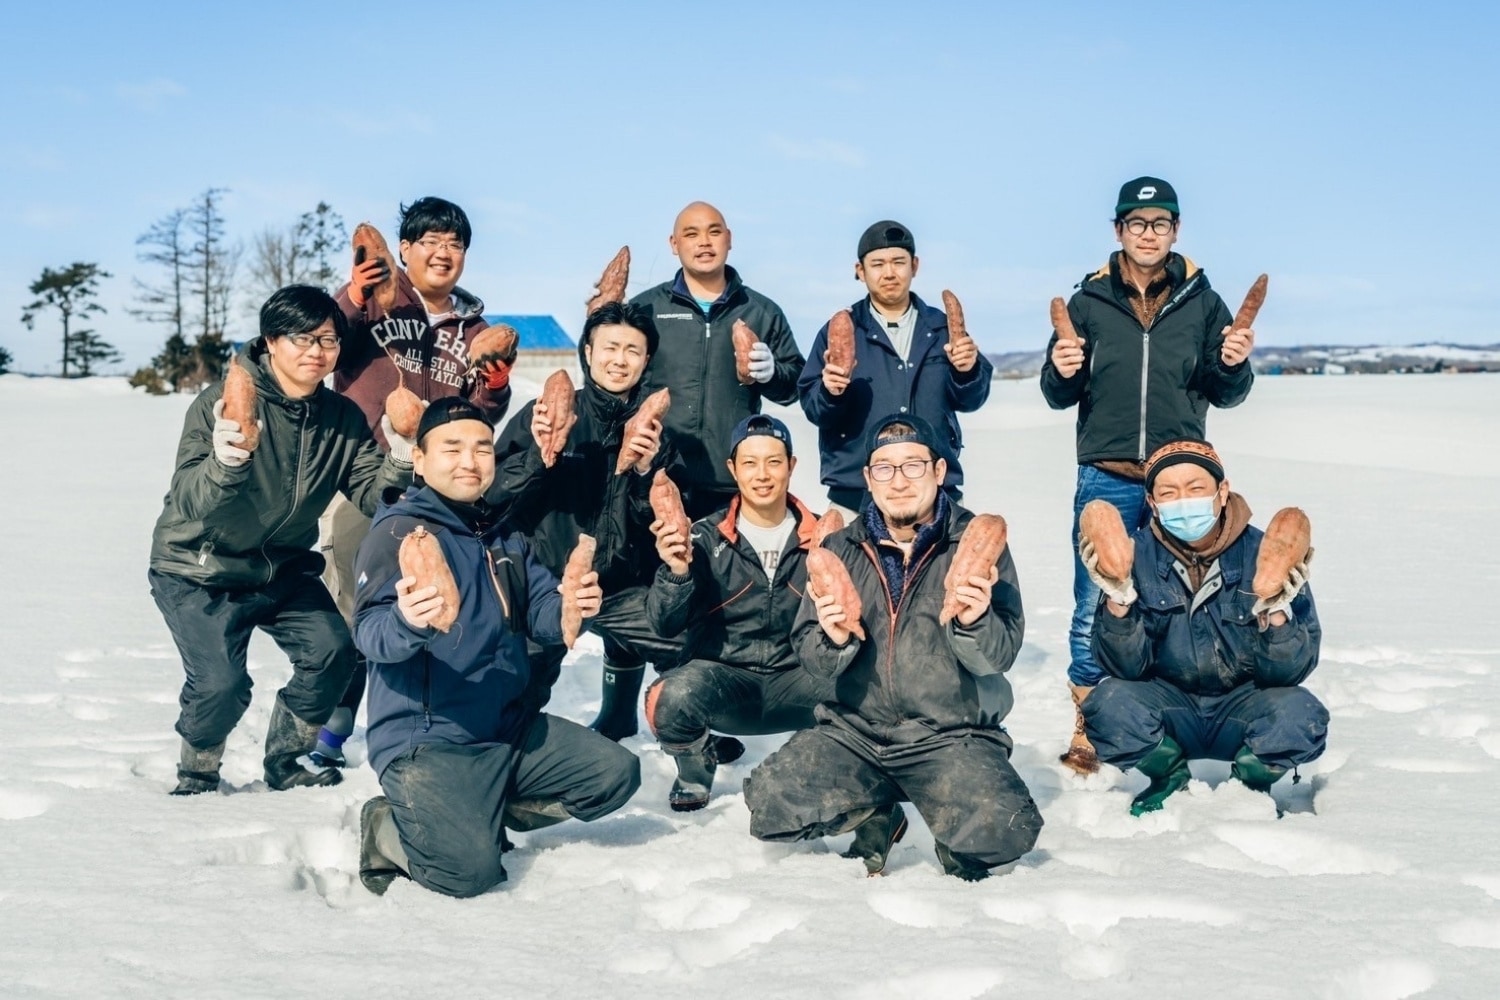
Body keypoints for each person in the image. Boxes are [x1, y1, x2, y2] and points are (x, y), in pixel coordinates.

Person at [353, 397, 638, 898]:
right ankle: (388, 829)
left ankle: (474, 815)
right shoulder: (398, 532)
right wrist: (406, 620)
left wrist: (575, 606)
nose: (470, 460)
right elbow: (369, 633)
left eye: (482, 448)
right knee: (468, 874)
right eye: (452, 448)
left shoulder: (502, 533)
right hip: (429, 740)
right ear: (419, 460)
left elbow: (543, 613)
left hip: (506, 726)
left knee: (615, 773)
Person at [743, 415, 1042, 880]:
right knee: (770, 801)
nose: (898, 481)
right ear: (867, 478)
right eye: (884, 468)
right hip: (856, 733)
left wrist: (973, 620)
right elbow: (811, 653)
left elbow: (998, 656)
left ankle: (950, 827)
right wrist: (834, 639)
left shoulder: (976, 545)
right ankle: (875, 811)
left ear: (939, 471)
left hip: (947, 734)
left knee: (1005, 828)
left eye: (913, 466)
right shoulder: (839, 548)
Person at [148, 285, 413, 795]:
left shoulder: (342, 417)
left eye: (329, 340)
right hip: (200, 568)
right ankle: (197, 771)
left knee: (335, 652)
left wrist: (399, 457)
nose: (317, 351)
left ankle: (285, 760)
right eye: (302, 338)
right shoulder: (220, 404)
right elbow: (188, 500)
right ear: (271, 341)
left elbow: (369, 491)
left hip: (282, 567)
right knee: (221, 685)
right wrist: (224, 463)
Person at [1040, 177, 1257, 775]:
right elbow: (1058, 393)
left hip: (1178, 482)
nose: (1148, 233)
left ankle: (1163, 716)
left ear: (1176, 231)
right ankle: (1089, 719)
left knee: (1178, 598)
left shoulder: (1202, 303)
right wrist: (1060, 370)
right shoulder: (1088, 301)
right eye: (1137, 223)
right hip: (1105, 476)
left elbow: (1226, 391)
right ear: (1118, 231)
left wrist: (1234, 365)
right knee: (1094, 600)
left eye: (1160, 223)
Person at [314, 196, 516, 768]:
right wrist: (353, 295)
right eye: (429, 241)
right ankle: (331, 730)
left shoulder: (473, 328)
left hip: (435, 489)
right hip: (362, 472)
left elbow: (483, 410)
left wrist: (495, 382)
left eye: (454, 244)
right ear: (405, 250)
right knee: (354, 605)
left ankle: (418, 724)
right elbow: (325, 340)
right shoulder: (376, 302)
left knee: (431, 605)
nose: (442, 253)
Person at [1079, 439, 1326, 815]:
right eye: (1168, 493)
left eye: (1196, 489)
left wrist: (1276, 615)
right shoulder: (1133, 556)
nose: (1183, 502)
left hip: (1243, 704)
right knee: (1107, 705)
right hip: (1168, 705)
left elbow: (1290, 673)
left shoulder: (1270, 553)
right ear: (1152, 503)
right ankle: (1168, 773)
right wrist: (1119, 602)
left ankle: (1250, 786)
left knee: (1300, 715)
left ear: (1222, 491)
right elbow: (1125, 670)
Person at [488, 301, 682, 740]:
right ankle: (509, 753)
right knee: (518, 687)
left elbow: (661, 524)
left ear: (646, 359)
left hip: (621, 585)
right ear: (588, 352)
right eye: (610, 347)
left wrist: (649, 473)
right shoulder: (544, 415)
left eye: (632, 351)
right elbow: (495, 495)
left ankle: (686, 740)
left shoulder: (656, 433)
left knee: (689, 643)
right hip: (548, 584)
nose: (620, 360)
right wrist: (540, 455)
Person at [643, 414, 834, 811]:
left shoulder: (825, 538)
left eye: (774, 461)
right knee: (667, 698)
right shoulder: (701, 536)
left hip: (797, 682)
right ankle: (696, 767)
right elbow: (663, 625)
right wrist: (675, 573)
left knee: (869, 695)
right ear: (733, 468)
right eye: (749, 462)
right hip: (725, 682)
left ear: (792, 466)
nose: (761, 474)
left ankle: (834, 770)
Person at [798, 220, 992, 521]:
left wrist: (967, 371)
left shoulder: (941, 328)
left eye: (898, 262)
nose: (889, 273)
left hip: (936, 492)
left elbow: (972, 400)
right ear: (860, 271)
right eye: (877, 264)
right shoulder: (840, 329)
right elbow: (814, 407)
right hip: (855, 495)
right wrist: (830, 392)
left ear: (914, 266)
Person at [630, 201, 805, 519]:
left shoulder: (760, 311)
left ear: (729, 238)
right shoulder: (645, 309)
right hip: (657, 476)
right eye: (691, 233)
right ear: (674, 244)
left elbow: (796, 385)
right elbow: (612, 380)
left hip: (731, 485)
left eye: (714, 232)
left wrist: (772, 373)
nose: (704, 242)